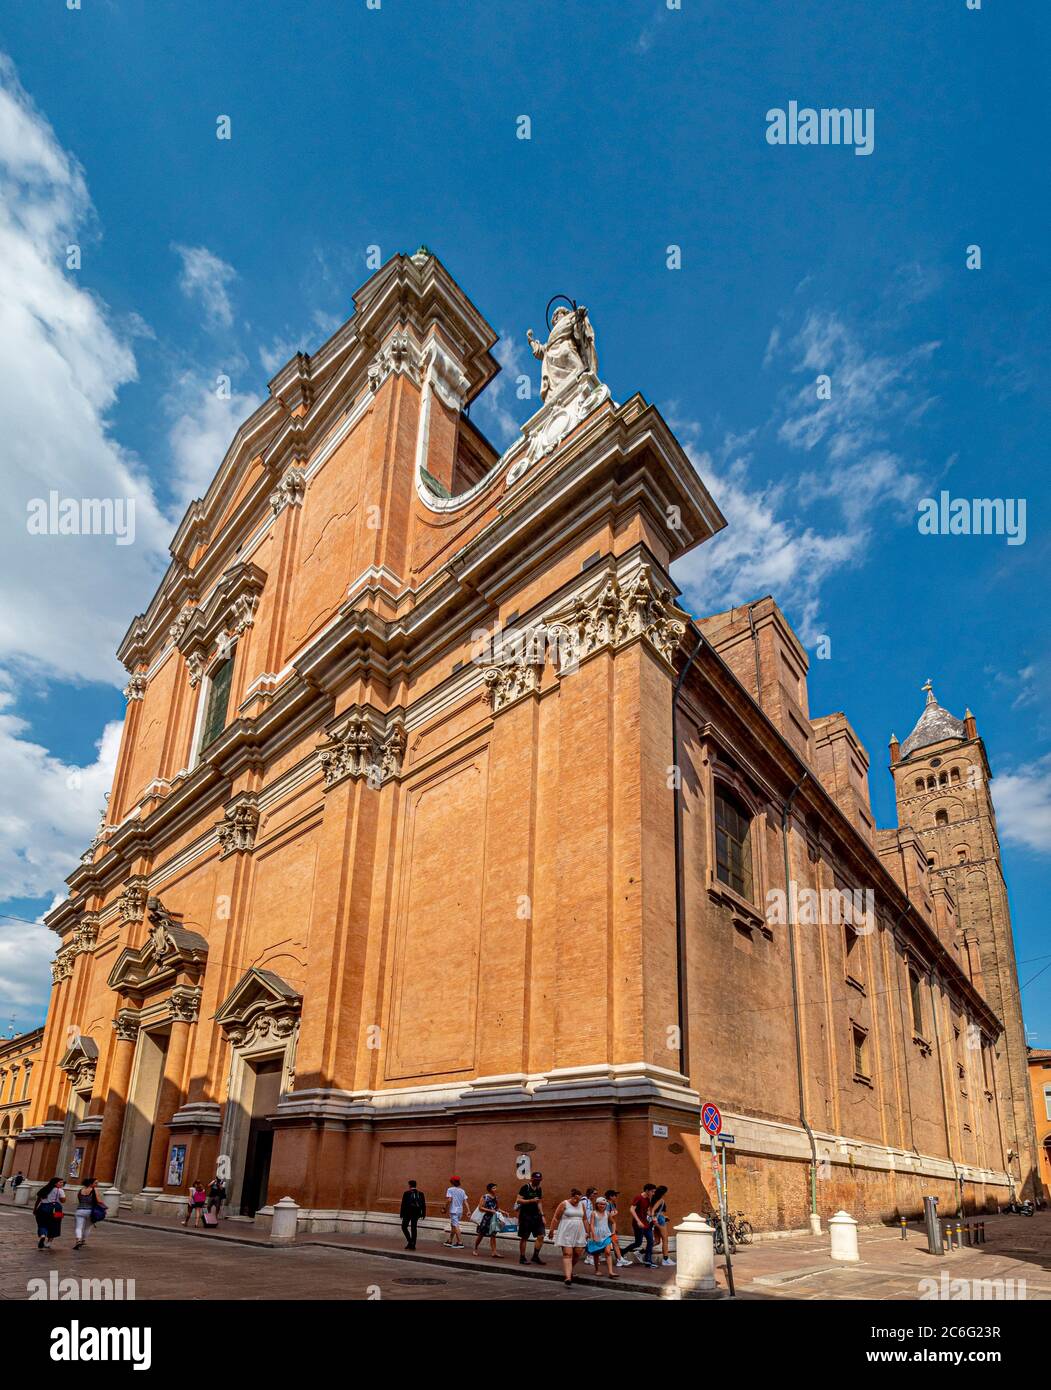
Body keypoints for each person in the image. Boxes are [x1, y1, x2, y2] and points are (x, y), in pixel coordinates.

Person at [550, 1187, 590, 1287]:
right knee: (568, 1254)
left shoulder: (581, 1205)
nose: (577, 1201)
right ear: (572, 1197)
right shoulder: (564, 1204)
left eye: (579, 1199)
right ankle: (568, 1277)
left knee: (577, 1253)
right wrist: (551, 1231)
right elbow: (556, 1218)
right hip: (566, 1232)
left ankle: (569, 1269)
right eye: (575, 1199)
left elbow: (584, 1219)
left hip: (579, 1233)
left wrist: (588, 1232)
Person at [516, 1170, 546, 1265]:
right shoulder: (525, 1187)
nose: (538, 1181)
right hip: (525, 1216)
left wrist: (542, 1215)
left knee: (541, 1235)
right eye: (536, 1179)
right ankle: (522, 1257)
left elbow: (539, 1202)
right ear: (531, 1179)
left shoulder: (539, 1189)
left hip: (536, 1216)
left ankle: (535, 1256)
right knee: (524, 1237)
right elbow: (518, 1200)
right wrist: (531, 1201)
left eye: (539, 1180)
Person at [586, 1195, 619, 1279]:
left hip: (606, 1234)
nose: (602, 1206)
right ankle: (597, 1270)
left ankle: (611, 1272)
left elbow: (613, 1222)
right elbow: (592, 1224)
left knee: (608, 1252)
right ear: (596, 1204)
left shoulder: (607, 1213)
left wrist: (613, 1232)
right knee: (596, 1253)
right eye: (600, 1204)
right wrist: (593, 1235)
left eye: (604, 1204)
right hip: (596, 1234)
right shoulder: (594, 1213)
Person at [473, 1183, 506, 1257]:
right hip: (486, 1219)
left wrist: (504, 1212)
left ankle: (494, 1252)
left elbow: (497, 1208)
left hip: (494, 1219)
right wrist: (490, 1210)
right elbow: (480, 1208)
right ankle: (475, 1249)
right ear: (489, 1189)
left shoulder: (496, 1198)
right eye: (494, 1188)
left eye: (496, 1188)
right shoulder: (485, 1197)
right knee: (481, 1234)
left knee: (493, 1235)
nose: (495, 1189)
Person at [627, 1182, 657, 1266]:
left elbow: (646, 1211)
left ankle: (648, 1260)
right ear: (647, 1190)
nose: (653, 1193)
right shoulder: (638, 1197)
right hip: (638, 1224)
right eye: (652, 1191)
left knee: (651, 1240)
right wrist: (638, 1221)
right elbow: (632, 1209)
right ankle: (622, 1251)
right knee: (638, 1243)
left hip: (646, 1223)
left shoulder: (648, 1199)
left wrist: (653, 1217)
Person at [33, 1177, 64, 1250]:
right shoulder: (60, 1190)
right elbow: (63, 1201)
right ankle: (49, 1243)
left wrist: (35, 1209)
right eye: (60, 1182)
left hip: (42, 1208)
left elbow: (38, 1200)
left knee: (42, 1224)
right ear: (55, 1183)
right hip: (57, 1209)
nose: (62, 1184)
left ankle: (43, 1235)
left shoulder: (44, 1189)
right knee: (56, 1224)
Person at [73, 1176, 103, 1250]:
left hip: (79, 1210)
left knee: (78, 1227)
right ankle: (83, 1240)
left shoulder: (80, 1190)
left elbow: (80, 1200)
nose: (97, 1184)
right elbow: (99, 1201)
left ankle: (78, 1240)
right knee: (87, 1227)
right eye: (95, 1183)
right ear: (90, 1183)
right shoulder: (94, 1190)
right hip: (90, 1211)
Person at [605, 1189, 631, 1267]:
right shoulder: (607, 1204)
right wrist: (613, 1221)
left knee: (615, 1243)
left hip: (610, 1227)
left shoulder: (613, 1204)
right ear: (610, 1196)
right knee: (605, 1244)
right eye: (614, 1195)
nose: (616, 1197)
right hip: (606, 1228)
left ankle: (620, 1259)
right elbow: (606, 1216)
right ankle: (591, 1256)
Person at [650, 1185, 673, 1266]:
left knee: (657, 1241)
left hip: (658, 1218)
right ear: (663, 1193)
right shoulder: (661, 1200)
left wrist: (663, 1217)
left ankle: (641, 1251)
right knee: (665, 1239)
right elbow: (653, 1211)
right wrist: (655, 1219)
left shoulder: (653, 1199)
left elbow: (654, 1211)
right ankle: (665, 1259)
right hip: (659, 1220)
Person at [443, 1176, 469, 1248]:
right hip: (460, 1210)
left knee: (456, 1226)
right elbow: (465, 1201)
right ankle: (450, 1240)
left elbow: (449, 1200)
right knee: (453, 1226)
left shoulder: (450, 1189)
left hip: (453, 1210)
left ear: (452, 1182)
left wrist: (444, 1207)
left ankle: (460, 1242)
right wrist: (468, 1210)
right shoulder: (462, 1191)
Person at [400, 1179, 426, 1250]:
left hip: (407, 1213)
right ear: (415, 1185)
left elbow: (403, 1204)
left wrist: (401, 1214)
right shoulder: (421, 1193)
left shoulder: (406, 1193)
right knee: (413, 1228)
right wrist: (423, 1213)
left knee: (404, 1227)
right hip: (416, 1213)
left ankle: (410, 1241)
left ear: (409, 1185)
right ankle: (412, 1243)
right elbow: (423, 1204)